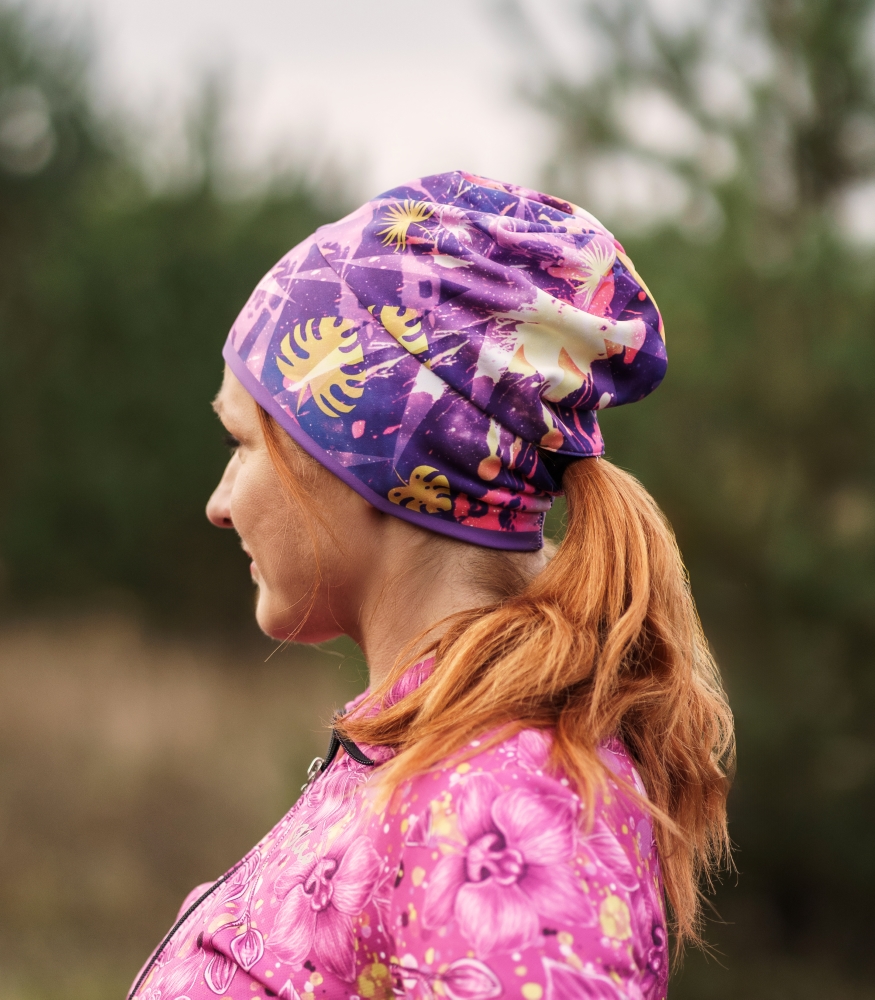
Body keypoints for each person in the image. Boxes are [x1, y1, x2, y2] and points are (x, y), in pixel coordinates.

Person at [128, 171, 733, 1000]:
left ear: (358, 456)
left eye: (241, 442)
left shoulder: (506, 813)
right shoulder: (444, 763)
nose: (219, 504)